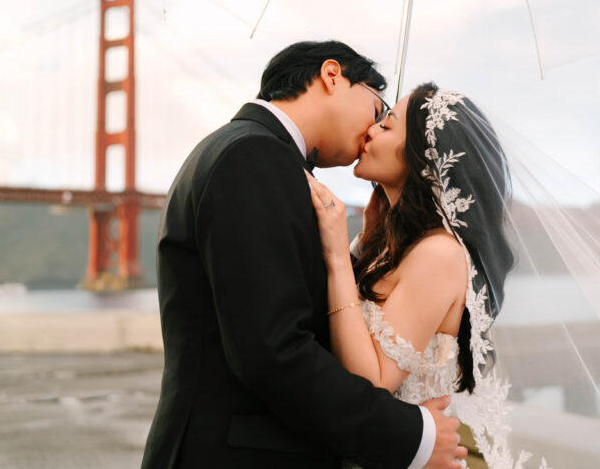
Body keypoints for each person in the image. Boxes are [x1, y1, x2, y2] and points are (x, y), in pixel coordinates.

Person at [141, 42, 466, 469]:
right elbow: (273, 350)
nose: (373, 129)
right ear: (332, 76)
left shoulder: (250, 152)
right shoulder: (253, 156)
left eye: (387, 122)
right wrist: (411, 436)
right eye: (376, 108)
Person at [307, 83, 519, 469]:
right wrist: (366, 237)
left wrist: (337, 255)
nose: (370, 130)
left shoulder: (439, 254)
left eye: (387, 126)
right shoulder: (393, 246)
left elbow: (372, 383)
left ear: (421, 158)